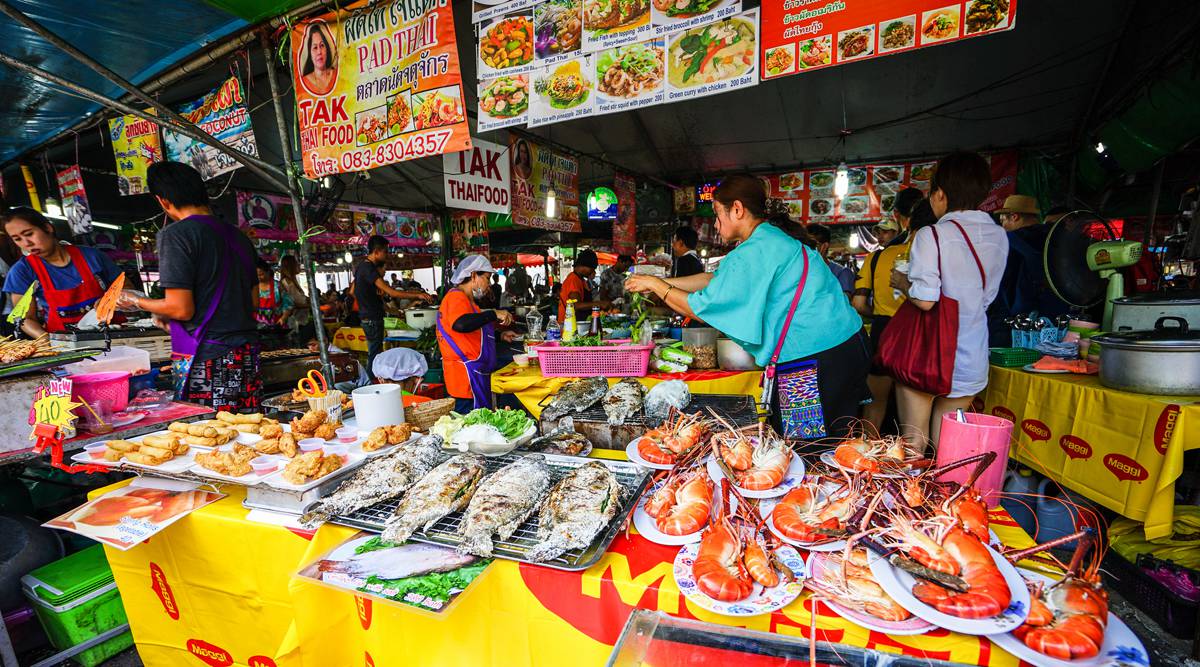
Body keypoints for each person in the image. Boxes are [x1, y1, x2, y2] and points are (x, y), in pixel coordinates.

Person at [626, 175, 869, 439]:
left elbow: (702, 307)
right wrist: (659, 282)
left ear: (738, 209)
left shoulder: (755, 250)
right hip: (848, 346)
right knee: (835, 442)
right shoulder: (770, 241)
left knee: (806, 446)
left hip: (814, 357)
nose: (716, 225)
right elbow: (716, 280)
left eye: (718, 215)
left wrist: (658, 286)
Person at [888, 152, 1008, 449]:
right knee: (947, 446)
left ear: (940, 194)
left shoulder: (932, 235)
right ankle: (948, 494)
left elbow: (926, 299)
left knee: (914, 443)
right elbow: (987, 296)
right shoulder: (999, 235)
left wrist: (902, 282)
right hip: (971, 354)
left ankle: (912, 495)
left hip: (927, 354)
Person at [118, 161, 260, 412]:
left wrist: (134, 299)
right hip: (247, 355)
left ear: (162, 200)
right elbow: (253, 303)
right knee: (250, 433)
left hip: (209, 359)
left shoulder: (177, 234)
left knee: (211, 439)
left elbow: (180, 308)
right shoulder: (239, 237)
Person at [852, 199, 937, 433]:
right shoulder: (938, 255)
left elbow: (858, 303)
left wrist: (879, 311)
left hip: (884, 332)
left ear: (906, 224)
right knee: (918, 414)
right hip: (922, 333)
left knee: (875, 404)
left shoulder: (877, 257)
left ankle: (866, 453)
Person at [3, 207, 123, 335]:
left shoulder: (92, 256)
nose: (26, 243)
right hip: (63, 343)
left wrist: (112, 298)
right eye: (17, 239)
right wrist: (49, 343)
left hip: (113, 335)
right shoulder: (22, 271)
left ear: (48, 228)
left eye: (29, 234)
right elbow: (25, 319)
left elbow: (126, 287)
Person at [436, 255, 519, 413]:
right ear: (473, 275)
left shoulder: (469, 302)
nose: (488, 284)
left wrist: (500, 336)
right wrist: (493, 314)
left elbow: (474, 331)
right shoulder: (455, 296)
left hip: (475, 375)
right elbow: (461, 324)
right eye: (487, 278)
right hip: (464, 379)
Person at [986, 195, 1071, 346]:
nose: (1003, 226)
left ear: (1014, 216)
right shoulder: (1060, 239)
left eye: (1003, 221)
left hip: (1015, 324)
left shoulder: (1010, 241)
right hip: (1056, 324)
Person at [355, 235, 433, 380]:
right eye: (385, 252)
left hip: (370, 317)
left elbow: (356, 291)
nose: (387, 255)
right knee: (374, 355)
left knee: (374, 354)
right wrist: (418, 295)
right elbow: (391, 292)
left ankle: (370, 384)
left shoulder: (362, 267)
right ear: (377, 251)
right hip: (371, 318)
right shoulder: (368, 268)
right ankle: (369, 385)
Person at [559, 249, 610, 323]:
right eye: (592, 269)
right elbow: (576, 305)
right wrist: (599, 304)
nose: (593, 272)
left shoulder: (581, 280)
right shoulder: (573, 279)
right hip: (569, 326)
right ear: (584, 266)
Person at [806, 223, 855, 297]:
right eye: (804, 245)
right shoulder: (800, 271)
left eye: (811, 244)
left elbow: (844, 302)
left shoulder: (842, 273)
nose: (807, 249)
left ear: (824, 246)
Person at [279, 255, 314, 344]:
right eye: (296, 263)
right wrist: (310, 305)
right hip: (295, 324)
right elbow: (292, 304)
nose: (298, 265)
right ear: (291, 266)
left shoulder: (293, 281)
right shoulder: (287, 283)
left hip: (301, 320)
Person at [299, 22, 337, 96]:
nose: (319, 52)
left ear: (327, 49)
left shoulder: (338, 75)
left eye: (322, 45)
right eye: (315, 47)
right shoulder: (305, 81)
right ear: (310, 54)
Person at [255, 258, 293, 328]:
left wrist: (283, 318)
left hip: (277, 325)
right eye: (256, 275)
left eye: (261, 274)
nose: (259, 277)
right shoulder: (253, 288)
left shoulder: (277, 286)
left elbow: (288, 304)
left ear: (268, 272)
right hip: (258, 327)